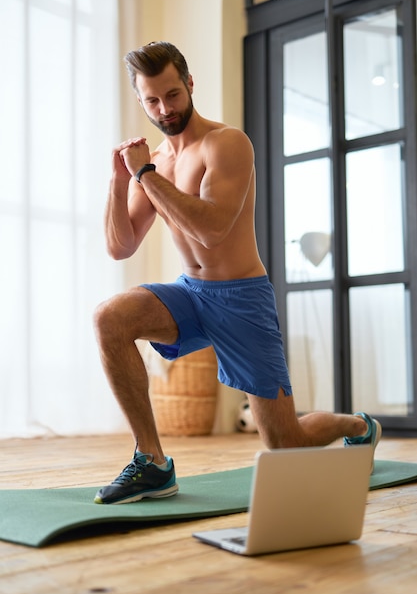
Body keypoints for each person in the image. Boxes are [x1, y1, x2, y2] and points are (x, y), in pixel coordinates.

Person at [93, 41, 381, 505]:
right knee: (111, 317)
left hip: (242, 298)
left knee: (286, 442)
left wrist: (144, 173)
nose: (164, 109)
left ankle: (359, 426)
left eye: (172, 94)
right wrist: (119, 180)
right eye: (152, 100)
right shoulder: (157, 165)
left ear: (189, 84)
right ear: (140, 101)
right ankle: (152, 462)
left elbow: (211, 229)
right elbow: (120, 246)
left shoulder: (226, 144)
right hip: (191, 293)